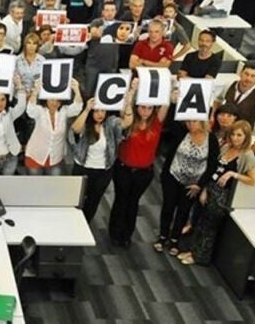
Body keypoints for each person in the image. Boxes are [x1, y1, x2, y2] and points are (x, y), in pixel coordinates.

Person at [179, 120, 255, 265]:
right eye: (233, 134)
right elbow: (213, 168)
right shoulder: (226, 147)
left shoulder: (247, 155)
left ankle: (200, 257)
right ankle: (193, 251)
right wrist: (204, 189)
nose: (235, 138)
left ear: (246, 137)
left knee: (209, 227)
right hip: (210, 188)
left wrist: (233, 174)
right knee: (200, 221)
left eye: (239, 135)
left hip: (223, 195)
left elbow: (253, 180)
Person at [108, 87, 170, 247]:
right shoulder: (129, 121)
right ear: (137, 107)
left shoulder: (156, 123)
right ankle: (114, 232)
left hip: (144, 172)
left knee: (133, 202)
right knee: (121, 200)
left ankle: (126, 234)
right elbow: (124, 108)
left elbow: (165, 103)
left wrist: (169, 86)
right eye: (143, 107)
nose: (146, 111)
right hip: (123, 168)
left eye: (149, 108)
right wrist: (132, 91)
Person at [155, 121, 220, 255]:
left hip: (193, 183)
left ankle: (175, 239)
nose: (190, 124)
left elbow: (212, 164)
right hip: (173, 176)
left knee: (183, 211)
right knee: (168, 207)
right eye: (188, 121)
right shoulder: (182, 132)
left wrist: (200, 184)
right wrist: (164, 175)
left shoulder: (211, 139)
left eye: (194, 121)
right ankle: (162, 236)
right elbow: (171, 153)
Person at [69, 91, 135, 223]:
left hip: (103, 171)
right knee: (75, 200)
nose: (100, 114)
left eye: (103, 111)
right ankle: (71, 223)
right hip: (83, 168)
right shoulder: (85, 124)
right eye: (96, 111)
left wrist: (128, 104)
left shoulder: (110, 123)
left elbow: (127, 122)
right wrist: (87, 109)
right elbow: (75, 129)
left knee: (93, 201)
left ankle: (85, 224)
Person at [25, 79, 84, 175]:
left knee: (54, 183)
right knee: (34, 183)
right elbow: (30, 110)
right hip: (35, 156)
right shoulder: (40, 111)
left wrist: (76, 90)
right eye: (52, 99)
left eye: (58, 101)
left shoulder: (64, 112)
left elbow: (77, 107)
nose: (54, 103)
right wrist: (35, 92)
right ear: (46, 99)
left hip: (55, 159)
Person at [214, 63, 255, 150]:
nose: (248, 79)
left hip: (241, 140)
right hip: (223, 133)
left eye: (252, 76)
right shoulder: (230, 84)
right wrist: (213, 117)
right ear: (241, 73)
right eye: (246, 74)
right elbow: (218, 99)